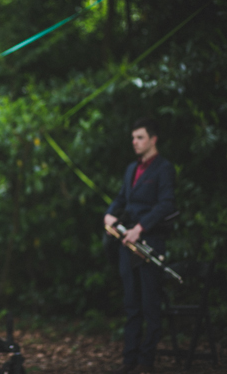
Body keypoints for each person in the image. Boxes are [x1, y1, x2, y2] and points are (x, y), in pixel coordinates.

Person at [105, 118, 176, 374]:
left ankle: (147, 361)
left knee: (150, 304)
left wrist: (141, 228)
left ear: (153, 139)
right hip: (128, 245)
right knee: (131, 305)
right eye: (133, 138)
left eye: (140, 137)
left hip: (150, 243)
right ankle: (129, 360)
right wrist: (110, 215)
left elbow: (167, 204)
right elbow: (122, 198)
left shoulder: (164, 169)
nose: (135, 142)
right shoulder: (130, 169)